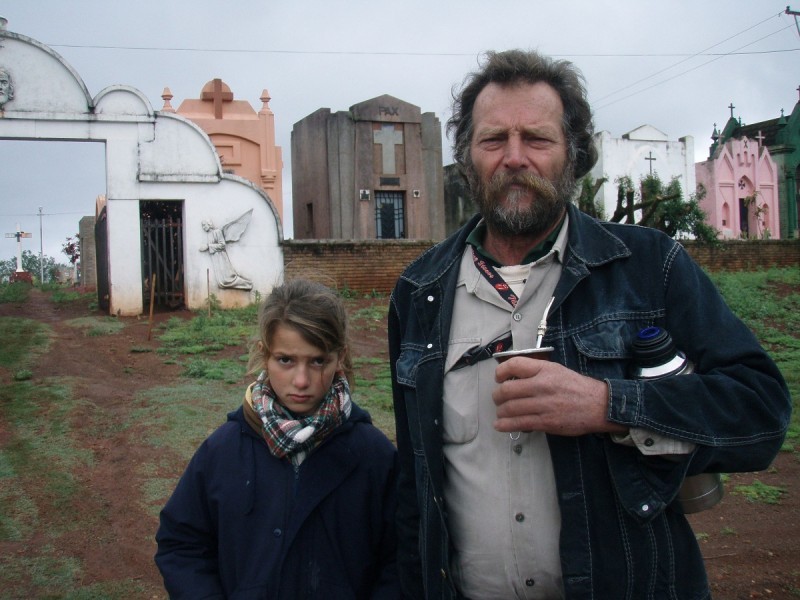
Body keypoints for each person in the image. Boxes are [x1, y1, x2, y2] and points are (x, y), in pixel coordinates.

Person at [388, 49, 791, 599]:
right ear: (466, 159)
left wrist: (609, 406)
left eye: (537, 139)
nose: (514, 157)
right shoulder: (419, 292)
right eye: (493, 139)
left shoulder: (649, 267)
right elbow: (415, 488)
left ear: (573, 156)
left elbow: (761, 413)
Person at [156, 278, 401, 599]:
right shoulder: (223, 451)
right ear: (265, 354)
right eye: (286, 360)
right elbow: (181, 545)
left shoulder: (373, 456)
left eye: (318, 361)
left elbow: (401, 560)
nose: (301, 381)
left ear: (339, 357)